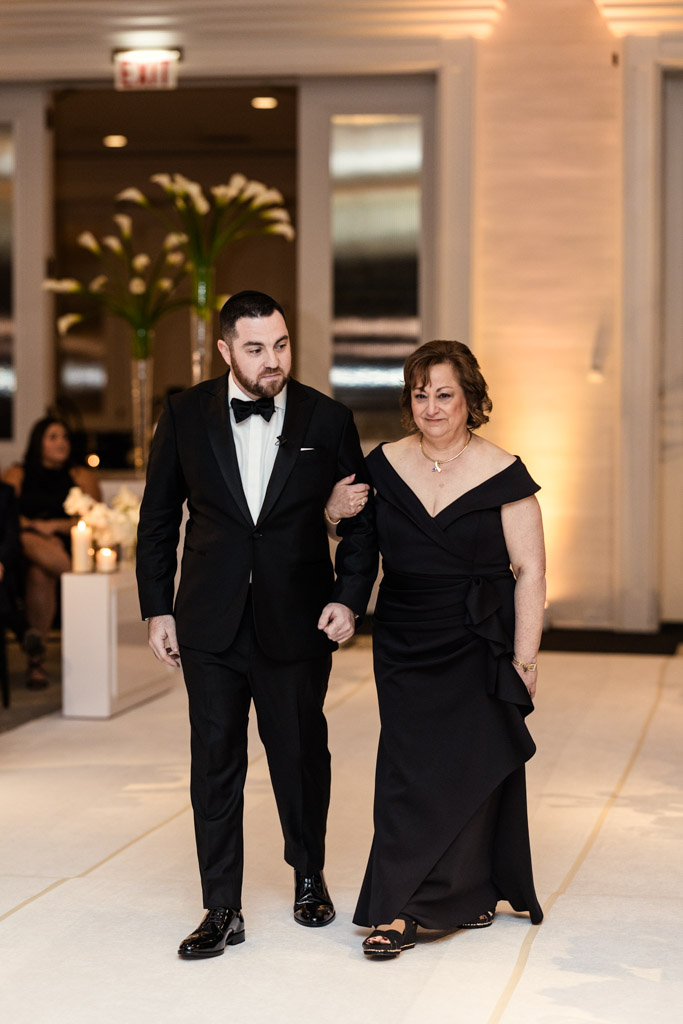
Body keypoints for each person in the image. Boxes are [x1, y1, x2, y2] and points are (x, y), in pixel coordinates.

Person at [136, 290, 376, 959]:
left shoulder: (327, 419)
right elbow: (157, 519)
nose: (271, 361)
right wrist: (156, 605)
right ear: (223, 350)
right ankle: (221, 907)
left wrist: (349, 598)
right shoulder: (184, 414)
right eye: (254, 348)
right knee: (214, 765)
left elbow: (358, 525)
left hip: (295, 620)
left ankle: (308, 874)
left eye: (280, 345)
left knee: (299, 758)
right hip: (207, 623)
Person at [353, 339, 545, 958]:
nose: (431, 407)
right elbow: (353, 537)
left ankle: (417, 908)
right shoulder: (381, 464)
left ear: (469, 399)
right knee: (408, 770)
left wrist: (525, 660)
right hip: (404, 636)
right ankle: (432, 892)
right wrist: (334, 512)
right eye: (420, 394)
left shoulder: (504, 472)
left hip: (475, 636)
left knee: (471, 765)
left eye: (444, 394)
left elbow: (532, 571)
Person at [2, 417, 101, 688]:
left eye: (65, 437)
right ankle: (82, 589)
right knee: (32, 548)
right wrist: (36, 529)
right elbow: (5, 516)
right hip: (25, 545)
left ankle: (36, 661)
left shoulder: (81, 475)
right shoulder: (17, 473)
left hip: (70, 543)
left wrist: (54, 526)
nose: (62, 443)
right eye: (53, 437)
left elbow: (94, 515)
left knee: (40, 574)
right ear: (38, 442)